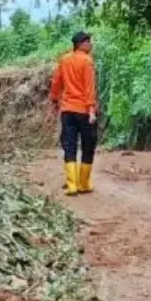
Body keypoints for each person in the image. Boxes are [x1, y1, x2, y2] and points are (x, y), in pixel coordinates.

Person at [49, 31, 98, 196]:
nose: (90, 45)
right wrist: (91, 109)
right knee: (88, 145)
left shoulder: (64, 60)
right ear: (81, 44)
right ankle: (83, 184)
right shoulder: (87, 61)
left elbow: (56, 82)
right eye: (88, 42)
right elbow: (89, 87)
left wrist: (55, 100)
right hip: (84, 110)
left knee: (69, 145)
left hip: (68, 110)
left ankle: (72, 186)